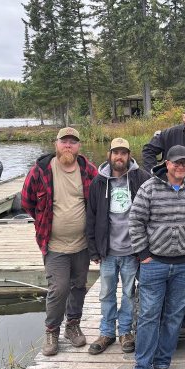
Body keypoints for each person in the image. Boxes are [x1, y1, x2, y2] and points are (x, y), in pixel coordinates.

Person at [130, 145, 185, 369]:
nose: (180, 167)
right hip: (153, 263)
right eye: (176, 163)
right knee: (148, 316)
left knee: (174, 317)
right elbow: (135, 221)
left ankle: (163, 365)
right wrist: (143, 254)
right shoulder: (149, 187)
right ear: (167, 163)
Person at [21, 127, 98, 356]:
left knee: (78, 286)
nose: (68, 145)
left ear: (78, 146)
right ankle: (52, 330)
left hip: (82, 244)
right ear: (56, 144)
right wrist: (43, 220)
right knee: (58, 288)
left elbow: (98, 200)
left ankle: (72, 326)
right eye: (64, 141)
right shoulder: (41, 170)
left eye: (73, 142)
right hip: (54, 245)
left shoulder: (88, 169)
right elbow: (27, 202)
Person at [86, 137, 150, 355]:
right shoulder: (98, 182)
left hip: (132, 251)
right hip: (107, 252)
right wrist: (93, 249)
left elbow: (151, 214)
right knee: (106, 293)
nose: (119, 157)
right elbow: (91, 217)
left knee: (129, 294)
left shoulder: (141, 178)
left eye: (123, 153)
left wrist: (144, 248)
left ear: (129, 155)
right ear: (109, 155)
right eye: (116, 152)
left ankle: (125, 332)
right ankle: (106, 332)